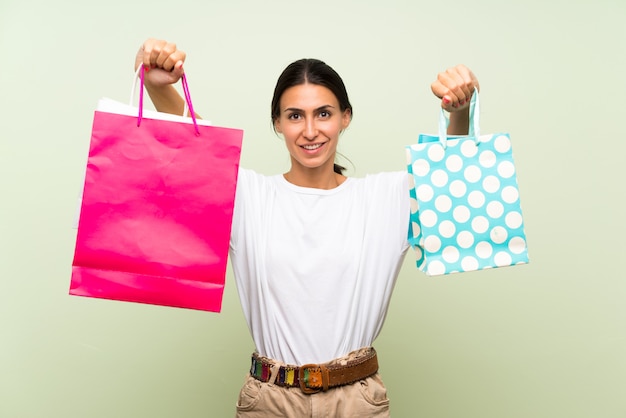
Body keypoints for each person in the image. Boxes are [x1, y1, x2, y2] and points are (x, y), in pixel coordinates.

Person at [135, 38, 479, 417]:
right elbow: (190, 150)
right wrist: (157, 86)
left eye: (324, 113)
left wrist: (458, 113)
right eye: (295, 115)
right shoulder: (248, 195)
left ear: (345, 117)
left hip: (355, 402)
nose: (310, 130)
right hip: (269, 400)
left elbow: (449, 182)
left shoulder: (385, 197)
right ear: (278, 123)